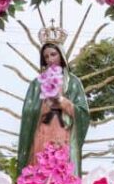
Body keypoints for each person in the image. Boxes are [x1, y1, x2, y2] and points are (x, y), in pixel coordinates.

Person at [16, 40, 90, 174]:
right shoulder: (37, 83)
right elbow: (28, 112)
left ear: (61, 56)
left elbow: (83, 113)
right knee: (40, 172)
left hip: (63, 134)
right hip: (42, 133)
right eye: (46, 56)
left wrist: (62, 101)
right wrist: (44, 104)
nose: (50, 59)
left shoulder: (72, 83)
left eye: (53, 54)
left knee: (61, 174)